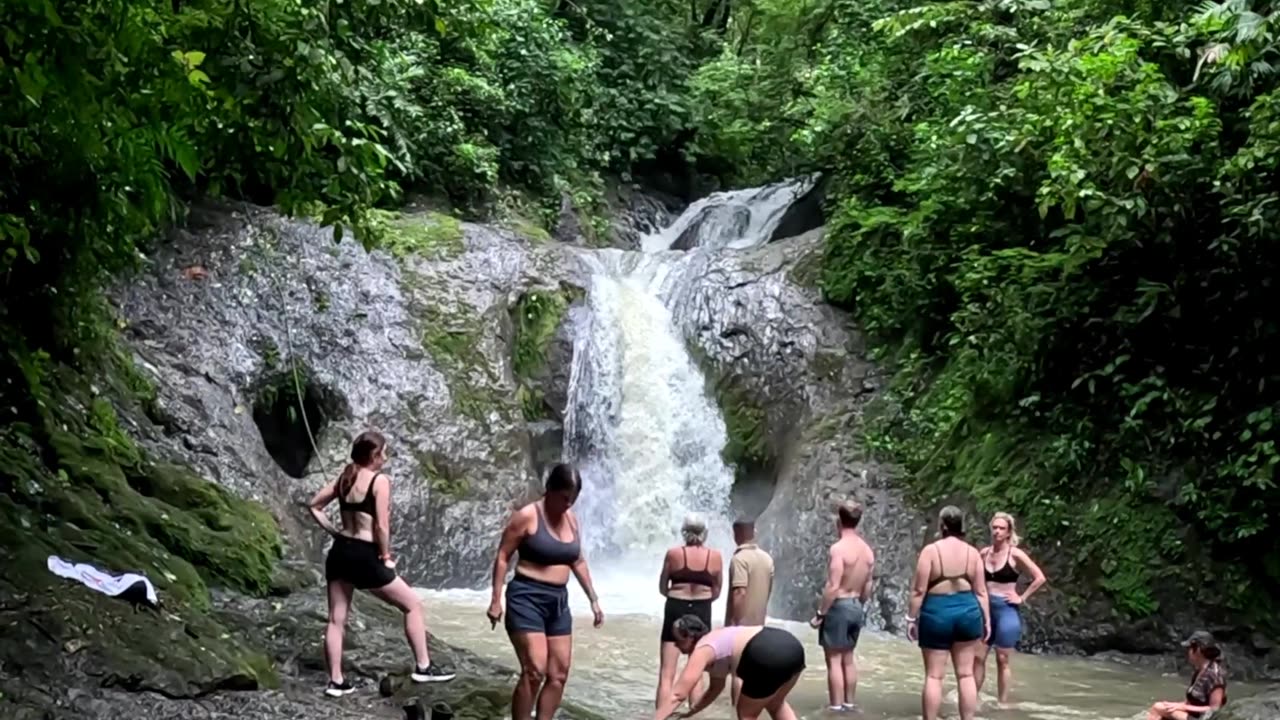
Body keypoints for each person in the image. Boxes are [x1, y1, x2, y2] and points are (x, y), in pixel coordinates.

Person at [306, 430, 457, 697]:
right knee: (412, 605)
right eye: (383, 452)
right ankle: (423, 666)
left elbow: (314, 505)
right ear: (374, 456)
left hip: (340, 551)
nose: (385, 457)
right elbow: (382, 526)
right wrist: (385, 556)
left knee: (335, 620)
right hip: (365, 554)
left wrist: (334, 532)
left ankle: (336, 682)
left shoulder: (345, 477)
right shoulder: (379, 481)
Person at [486, 463, 604, 720]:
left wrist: (593, 599)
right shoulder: (527, 516)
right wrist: (496, 599)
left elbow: (578, 560)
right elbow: (503, 555)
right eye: (564, 498)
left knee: (559, 672)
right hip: (526, 597)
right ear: (549, 489)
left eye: (573, 499)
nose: (568, 504)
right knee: (534, 669)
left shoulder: (571, 520)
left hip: (558, 602)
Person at [906, 506, 990, 720]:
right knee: (966, 674)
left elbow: (918, 590)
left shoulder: (931, 551)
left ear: (942, 525)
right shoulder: (972, 552)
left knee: (934, 676)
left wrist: (911, 618)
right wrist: (987, 621)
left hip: (937, 612)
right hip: (968, 612)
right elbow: (981, 591)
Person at [654, 615, 805, 720]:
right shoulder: (716, 642)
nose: (675, 645)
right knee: (776, 704)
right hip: (792, 647)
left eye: (678, 639)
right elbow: (715, 688)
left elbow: (677, 695)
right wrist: (692, 711)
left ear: (690, 636)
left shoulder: (703, 648)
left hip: (764, 650)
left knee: (746, 714)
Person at [808, 500, 875, 712]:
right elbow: (868, 586)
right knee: (848, 658)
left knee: (834, 659)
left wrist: (820, 613)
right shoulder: (867, 551)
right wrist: (860, 603)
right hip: (856, 605)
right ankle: (849, 703)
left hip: (839, 606)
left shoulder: (838, 549)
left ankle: (835, 707)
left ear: (839, 520)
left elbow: (832, 586)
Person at [974, 511, 1046, 704]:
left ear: (1008, 532)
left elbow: (1039, 577)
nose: (997, 531)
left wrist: (1022, 598)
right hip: (986, 611)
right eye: (994, 527)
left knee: (1002, 660)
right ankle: (972, 699)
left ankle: (1003, 704)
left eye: (1001, 528)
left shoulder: (1015, 554)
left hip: (1006, 611)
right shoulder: (984, 553)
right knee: (978, 657)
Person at [656, 513, 723, 709]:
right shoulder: (715, 556)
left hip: (676, 605)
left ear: (684, 531)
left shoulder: (674, 554)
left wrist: (676, 594)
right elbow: (717, 589)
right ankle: (695, 713)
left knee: (667, 672)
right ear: (705, 532)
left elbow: (662, 586)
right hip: (702, 608)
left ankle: (661, 715)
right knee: (697, 667)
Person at [725, 519, 775, 706]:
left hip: (742, 626)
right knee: (753, 673)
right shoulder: (767, 558)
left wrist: (734, 624)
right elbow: (769, 590)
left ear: (735, 534)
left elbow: (739, 592)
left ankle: (737, 713)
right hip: (759, 625)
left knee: (738, 673)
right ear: (753, 532)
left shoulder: (739, 559)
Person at [1146, 631, 1228, 720]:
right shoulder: (1200, 670)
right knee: (1163, 714)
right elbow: (1193, 702)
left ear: (1198, 650)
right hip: (1194, 715)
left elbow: (1215, 709)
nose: (1188, 652)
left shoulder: (1214, 675)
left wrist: (1184, 707)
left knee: (1157, 707)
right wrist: (1178, 705)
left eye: (1189, 648)